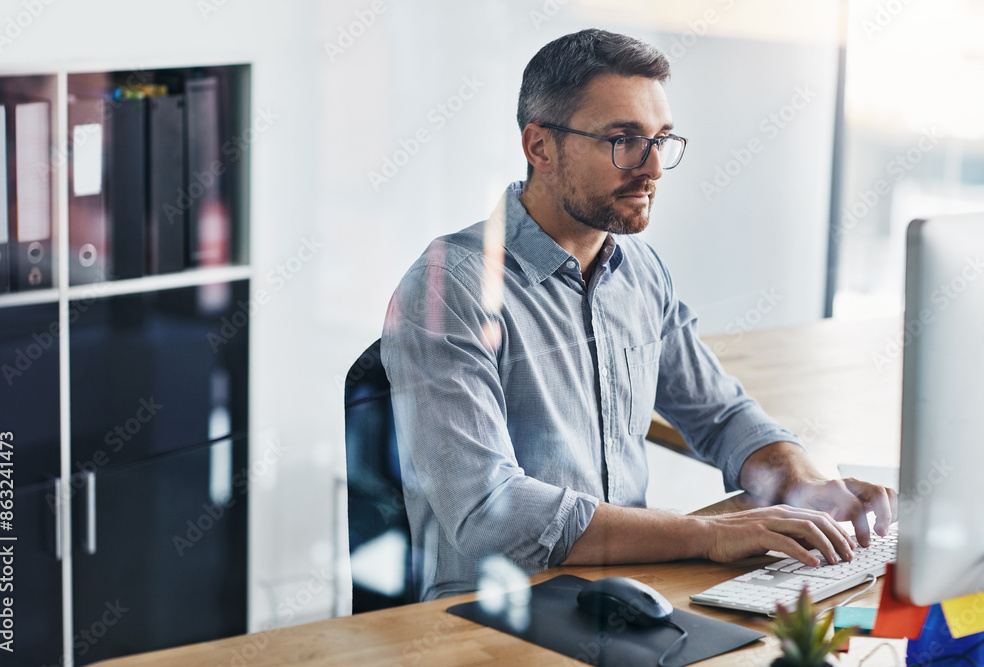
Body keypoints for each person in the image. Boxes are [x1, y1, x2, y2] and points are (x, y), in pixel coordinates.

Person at [381, 28, 897, 602]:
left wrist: (800, 485)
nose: (652, 168)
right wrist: (706, 534)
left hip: (629, 598)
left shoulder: (640, 272)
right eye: (624, 140)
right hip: (496, 616)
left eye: (662, 140)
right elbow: (489, 512)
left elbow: (722, 417)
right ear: (541, 148)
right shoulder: (450, 286)